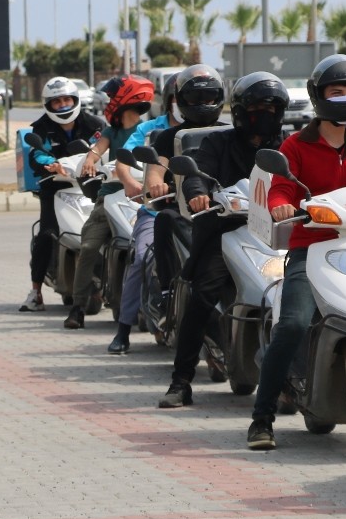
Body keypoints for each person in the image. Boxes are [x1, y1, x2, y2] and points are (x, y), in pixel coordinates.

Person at [247, 55, 346, 449]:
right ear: (319, 97)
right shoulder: (296, 145)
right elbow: (282, 186)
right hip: (311, 248)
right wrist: (282, 203)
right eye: (338, 91)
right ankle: (262, 419)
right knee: (294, 323)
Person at [159, 72, 289, 408]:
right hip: (225, 230)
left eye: (272, 107)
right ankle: (181, 381)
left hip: (278, 234)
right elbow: (195, 175)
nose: (265, 113)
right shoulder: (218, 142)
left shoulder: (288, 145)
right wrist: (198, 194)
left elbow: (305, 181)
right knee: (204, 293)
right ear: (242, 109)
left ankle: (297, 377)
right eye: (258, 106)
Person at [110, 65, 225, 355]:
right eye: (195, 97)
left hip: (224, 214)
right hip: (173, 210)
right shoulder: (161, 134)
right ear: (177, 99)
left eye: (210, 97)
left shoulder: (229, 133)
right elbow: (153, 173)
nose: (203, 104)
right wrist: (155, 185)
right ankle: (129, 325)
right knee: (141, 255)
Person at [65, 75, 153, 330]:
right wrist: (91, 159)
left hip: (142, 199)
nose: (109, 102)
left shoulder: (150, 130)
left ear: (125, 99)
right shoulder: (111, 131)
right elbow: (97, 148)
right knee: (89, 245)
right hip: (110, 197)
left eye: (112, 97)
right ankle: (78, 307)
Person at [21, 77, 105, 313]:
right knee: (46, 234)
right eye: (57, 102)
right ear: (49, 105)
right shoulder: (41, 128)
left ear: (76, 100)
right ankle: (35, 292)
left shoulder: (94, 125)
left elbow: (104, 150)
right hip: (55, 187)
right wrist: (52, 164)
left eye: (67, 99)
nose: (63, 105)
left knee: (110, 231)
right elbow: (37, 154)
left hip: (89, 186)